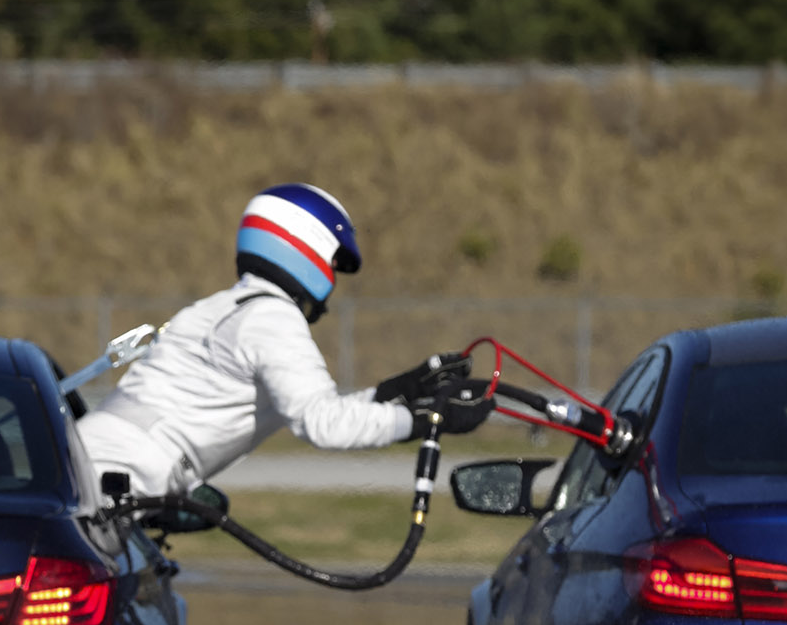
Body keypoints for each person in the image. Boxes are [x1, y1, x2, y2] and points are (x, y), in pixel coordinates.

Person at [78, 182, 493, 500]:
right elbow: (324, 424)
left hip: (90, 463)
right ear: (305, 246)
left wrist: (408, 388)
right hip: (122, 476)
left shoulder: (219, 308)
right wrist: (429, 420)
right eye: (332, 264)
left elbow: (317, 408)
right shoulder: (270, 318)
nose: (331, 280)